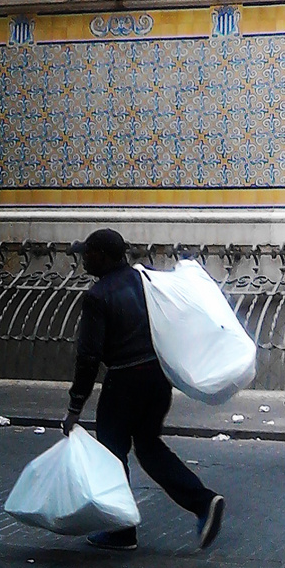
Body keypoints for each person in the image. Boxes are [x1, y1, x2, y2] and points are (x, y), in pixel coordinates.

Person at [62, 229, 224, 551]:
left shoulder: (96, 297)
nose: (83, 258)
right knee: (149, 447)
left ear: (104, 256)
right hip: (156, 377)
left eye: (88, 253)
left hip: (123, 381)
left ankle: (122, 530)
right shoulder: (145, 280)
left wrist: (74, 407)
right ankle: (204, 501)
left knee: (112, 453)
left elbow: (88, 357)